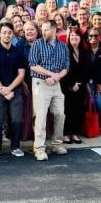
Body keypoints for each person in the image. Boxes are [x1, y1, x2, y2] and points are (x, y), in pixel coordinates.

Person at [29, 21, 69, 161]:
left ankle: (57, 144)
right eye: (42, 30)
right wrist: (51, 74)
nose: (43, 32)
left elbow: (66, 66)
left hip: (56, 84)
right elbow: (33, 65)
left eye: (46, 30)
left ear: (54, 30)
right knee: (41, 116)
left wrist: (57, 76)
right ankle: (39, 148)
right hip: (41, 83)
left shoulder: (63, 46)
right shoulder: (37, 44)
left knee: (59, 113)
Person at [0, 22, 27, 158]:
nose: (7, 35)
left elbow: (21, 74)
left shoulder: (18, 52)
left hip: (15, 89)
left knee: (16, 120)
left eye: (9, 32)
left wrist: (9, 89)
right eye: (4, 32)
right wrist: (3, 90)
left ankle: (15, 147)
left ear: (13, 34)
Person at [61, 30, 90, 144]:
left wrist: (83, 83)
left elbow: (87, 69)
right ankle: (66, 133)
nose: (74, 37)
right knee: (68, 110)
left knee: (79, 110)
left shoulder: (84, 51)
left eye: (76, 35)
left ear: (80, 38)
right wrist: (72, 84)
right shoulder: (65, 50)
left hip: (81, 85)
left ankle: (74, 133)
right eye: (72, 35)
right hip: (67, 86)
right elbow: (64, 68)